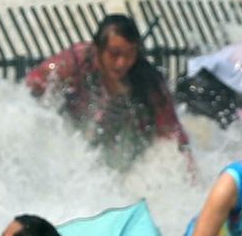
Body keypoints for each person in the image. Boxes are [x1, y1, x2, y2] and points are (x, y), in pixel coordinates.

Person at [25, 14, 189, 170]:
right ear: (98, 49)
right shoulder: (74, 62)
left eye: (130, 54)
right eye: (114, 54)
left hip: (123, 140)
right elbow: (31, 86)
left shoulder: (146, 79)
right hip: (72, 130)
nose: (122, 63)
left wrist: (187, 172)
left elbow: (173, 132)